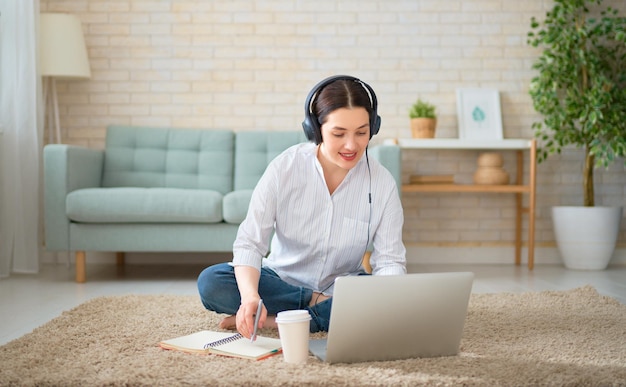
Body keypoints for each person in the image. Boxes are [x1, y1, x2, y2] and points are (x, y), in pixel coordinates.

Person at [197, 75, 406, 337]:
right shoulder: (285, 168)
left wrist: (390, 296)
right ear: (315, 129)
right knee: (212, 282)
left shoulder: (382, 183)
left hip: (344, 286)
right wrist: (250, 296)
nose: (352, 145)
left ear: (373, 128)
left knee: (394, 299)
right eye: (339, 134)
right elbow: (250, 243)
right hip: (280, 282)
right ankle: (321, 308)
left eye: (362, 133)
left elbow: (389, 261)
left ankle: (289, 320)